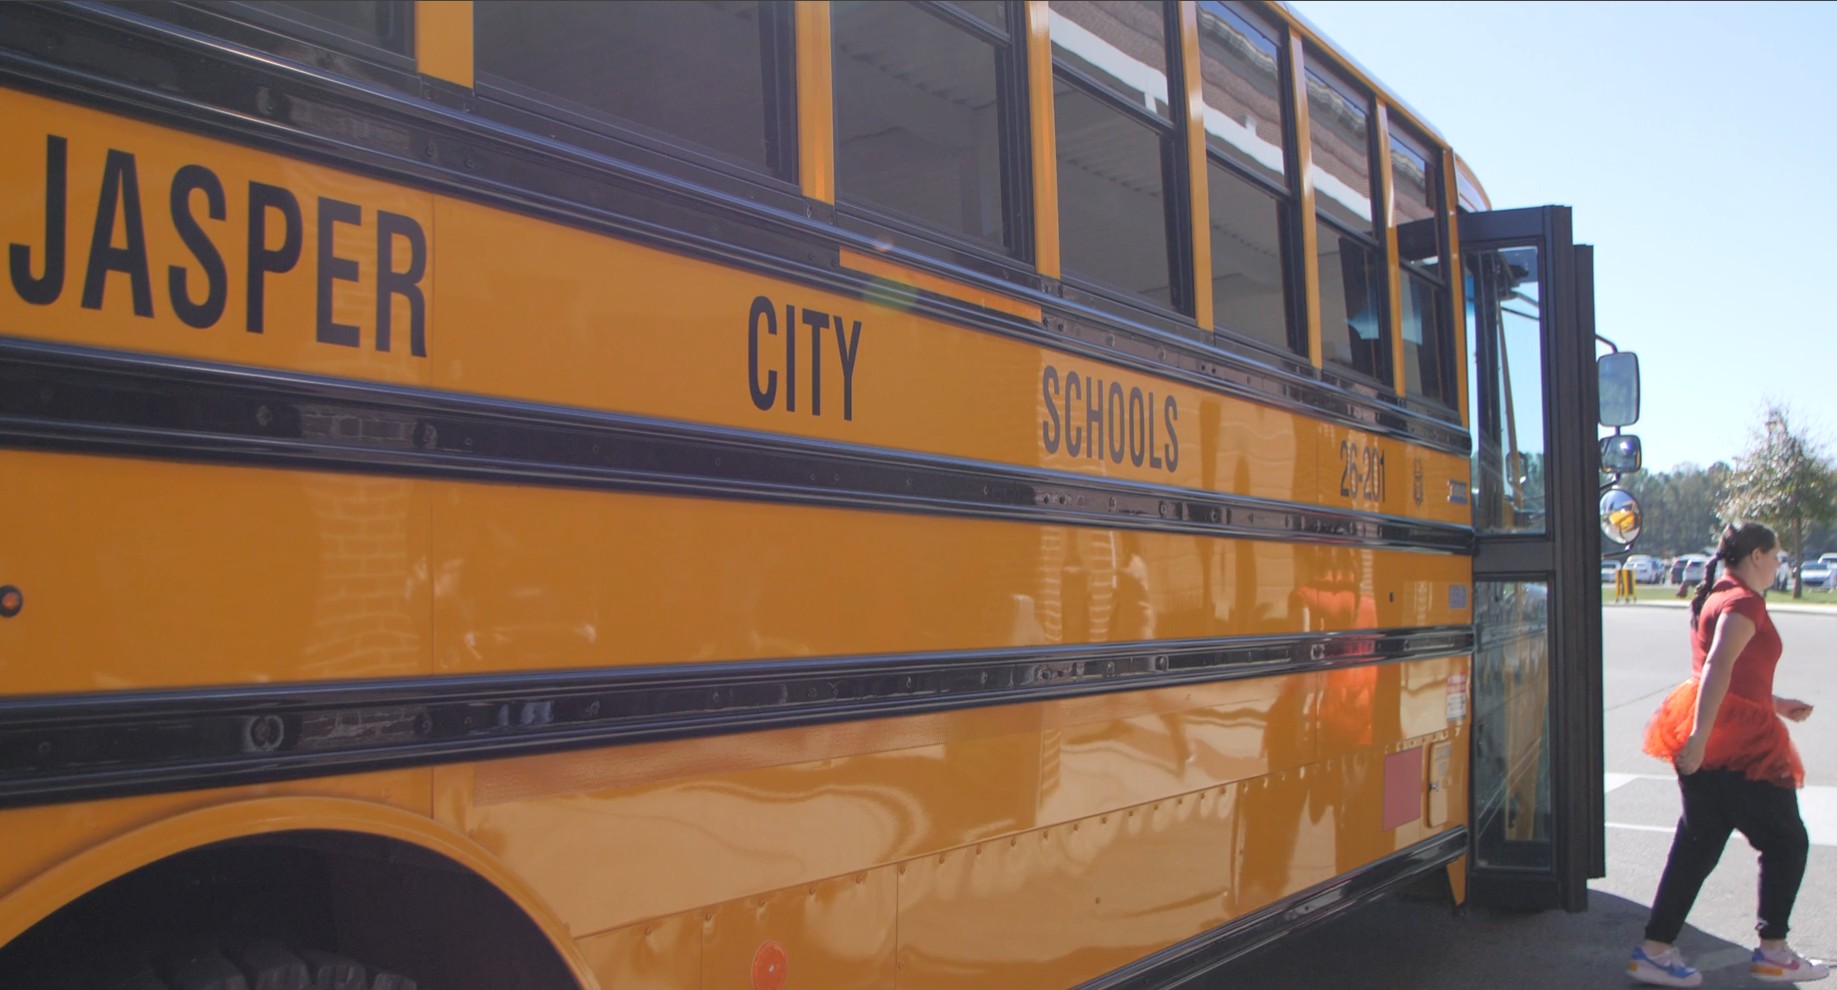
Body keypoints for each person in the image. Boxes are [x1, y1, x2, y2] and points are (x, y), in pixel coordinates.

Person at [1627, 523, 1828, 987]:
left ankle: (1655, 949)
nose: (1781, 565)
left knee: (1697, 847)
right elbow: (1717, 665)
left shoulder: (1719, 593)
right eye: (1777, 556)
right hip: (1737, 746)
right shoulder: (1743, 602)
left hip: (1716, 735)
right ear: (1757, 555)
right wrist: (1699, 736)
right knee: (1787, 843)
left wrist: (1775, 704)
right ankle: (1773, 951)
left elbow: (1730, 674)